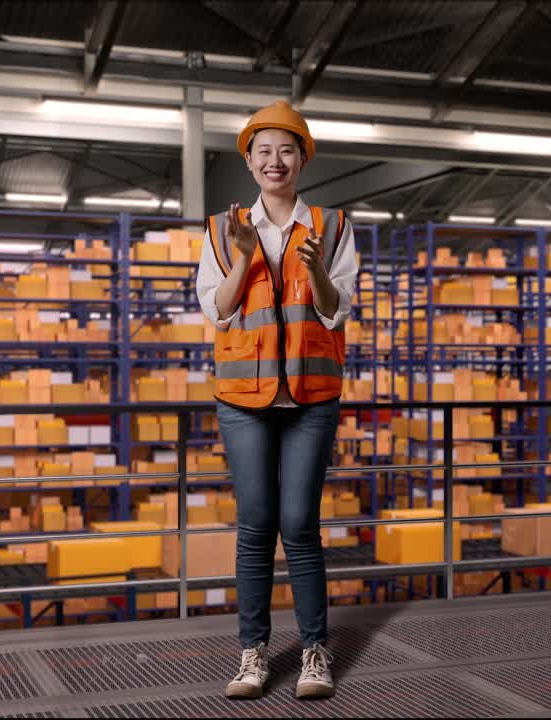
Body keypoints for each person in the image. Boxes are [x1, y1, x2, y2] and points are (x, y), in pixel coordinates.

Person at [195, 101, 358, 700]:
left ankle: (315, 652)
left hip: (312, 396)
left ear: (303, 158)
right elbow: (217, 309)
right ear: (248, 160)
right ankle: (253, 653)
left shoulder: (334, 227)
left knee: (300, 524)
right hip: (243, 397)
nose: (274, 160)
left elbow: (337, 310)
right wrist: (243, 254)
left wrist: (316, 270)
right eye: (263, 150)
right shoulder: (221, 228)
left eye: (286, 150)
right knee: (257, 524)